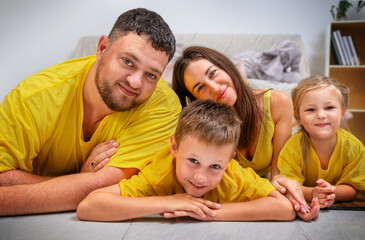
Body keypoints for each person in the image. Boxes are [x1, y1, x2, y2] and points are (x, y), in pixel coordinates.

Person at [0, 8, 181, 216]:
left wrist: (82, 183)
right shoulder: (32, 98)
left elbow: (107, 186)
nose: (135, 82)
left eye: (151, 75)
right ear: (102, 47)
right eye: (128, 62)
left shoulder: (163, 106)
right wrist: (80, 178)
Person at [77, 99, 301, 222]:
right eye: (193, 160)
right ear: (174, 147)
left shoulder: (233, 174)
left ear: (230, 160)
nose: (200, 177)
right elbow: (88, 206)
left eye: (215, 166)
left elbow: (284, 208)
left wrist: (208, 213)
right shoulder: (160, 172)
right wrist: (172, 201)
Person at [171, 46, 313, 217]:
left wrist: (296, 202)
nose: (214, 87)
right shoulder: (204, 132)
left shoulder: (278, 103)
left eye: (213, 73)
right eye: (201, 88)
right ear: (195, 100)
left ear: (226, 66)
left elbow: (278, 176)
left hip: (262, 189)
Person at [278, 76, 365, 208]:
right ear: (298, 117)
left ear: (343, 113)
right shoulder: (292, 148)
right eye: (311, 110)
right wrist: (313, 193)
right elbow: (290, 187)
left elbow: (353, 189)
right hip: (306, 205)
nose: (321, 115)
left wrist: (331, 192)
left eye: (329, 107)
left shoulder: (354, 148)